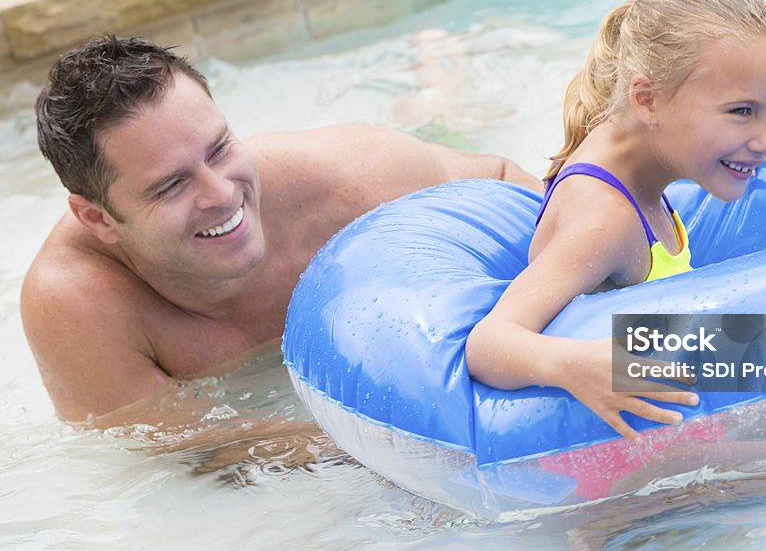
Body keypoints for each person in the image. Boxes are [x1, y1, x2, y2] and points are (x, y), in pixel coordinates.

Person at [21, 34, 540, 435]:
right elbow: (189, 449)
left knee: (448, 125)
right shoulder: (77, 305)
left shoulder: (341, 179)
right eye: (172, 185)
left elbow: (509, 184)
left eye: (220, 148)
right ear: (98, 219)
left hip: (418, 222)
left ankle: (440, 75)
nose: (221, 194)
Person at [466, 0, 766, 441]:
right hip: (606, 468)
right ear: (647, 100)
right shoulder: (609, 218)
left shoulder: (638, 174)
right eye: (741, 111)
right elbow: (488, 343)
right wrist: (574, 363)